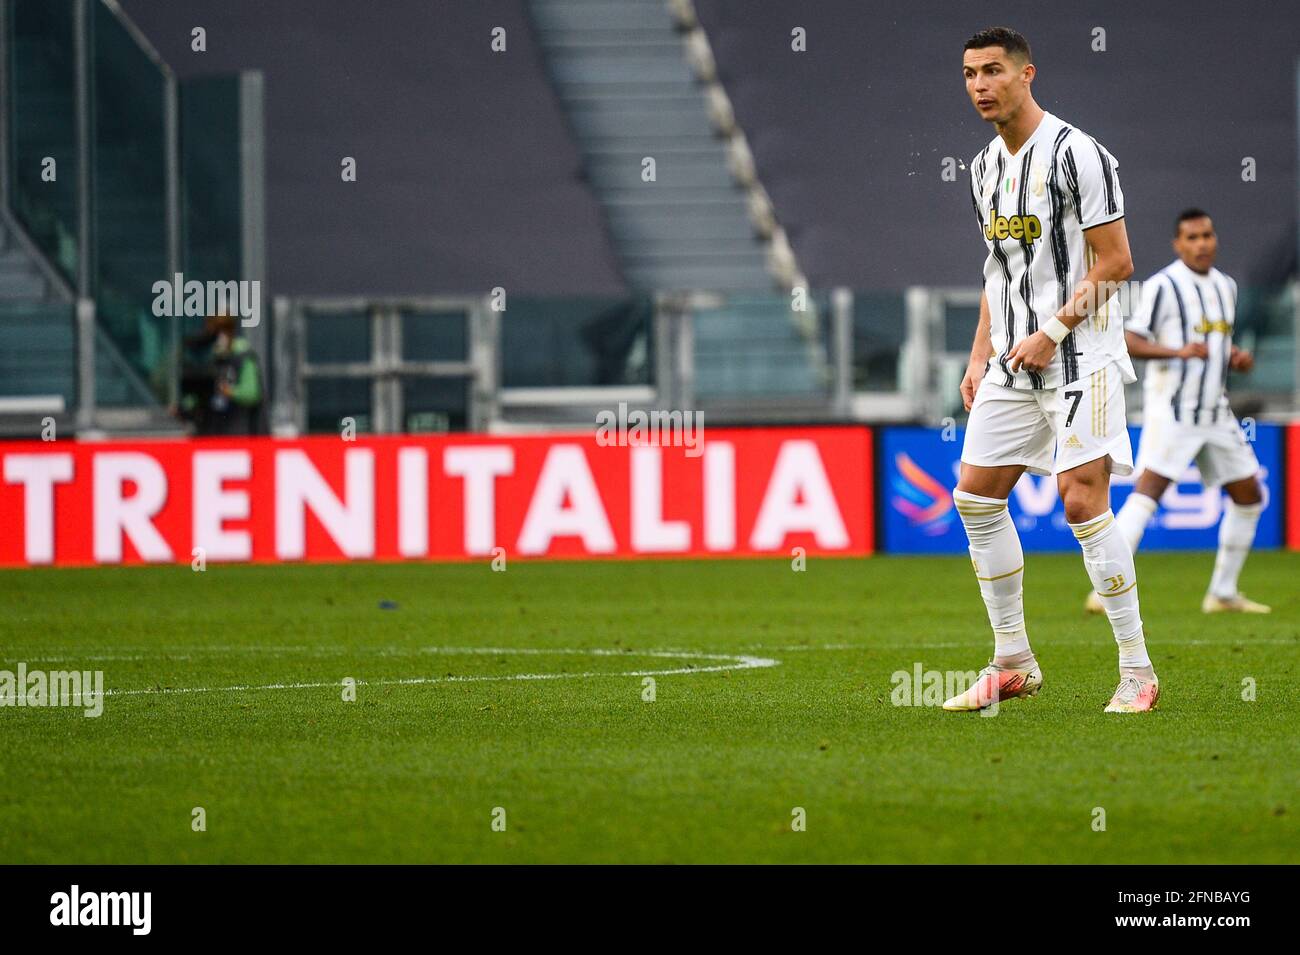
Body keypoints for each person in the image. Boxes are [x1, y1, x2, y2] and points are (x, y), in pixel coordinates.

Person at [942, 27, 1157, 714]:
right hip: (1013, 358)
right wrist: (979, 354)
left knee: (1081, 501)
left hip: (1080, 355)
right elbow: (996, 274)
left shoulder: (1077, 153)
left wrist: (1053, 329)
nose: (981, 84)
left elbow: (1117, 261)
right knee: (974, 496)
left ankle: (1137, 671)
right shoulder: (982, 169)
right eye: (971, 73)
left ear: (1027, 74)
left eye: (994, 71)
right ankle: (1013, 661)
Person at [1085, 209, 1269, 615]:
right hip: (1174, 408)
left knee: (1249, 495)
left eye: (1207, 235)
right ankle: (1106, 589)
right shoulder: (1164, 285)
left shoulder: (1226, 286)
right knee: (1149, 491)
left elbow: (1215, 344)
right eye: (1192, 237)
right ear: (1178, 244)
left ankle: (1222, 592)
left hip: (1215, 411)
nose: (1201, 244)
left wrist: (1232, 357)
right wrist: (1178, 351)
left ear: (1215, 239)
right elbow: (1130, 341)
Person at [179, 313, 264, 436]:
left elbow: (252, 393)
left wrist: (229, 391)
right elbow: (200, 392)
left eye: (217, 332)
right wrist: (184, 407)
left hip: (238, 431)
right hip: (210, 430)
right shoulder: (210, 358)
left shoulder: (243, 357)